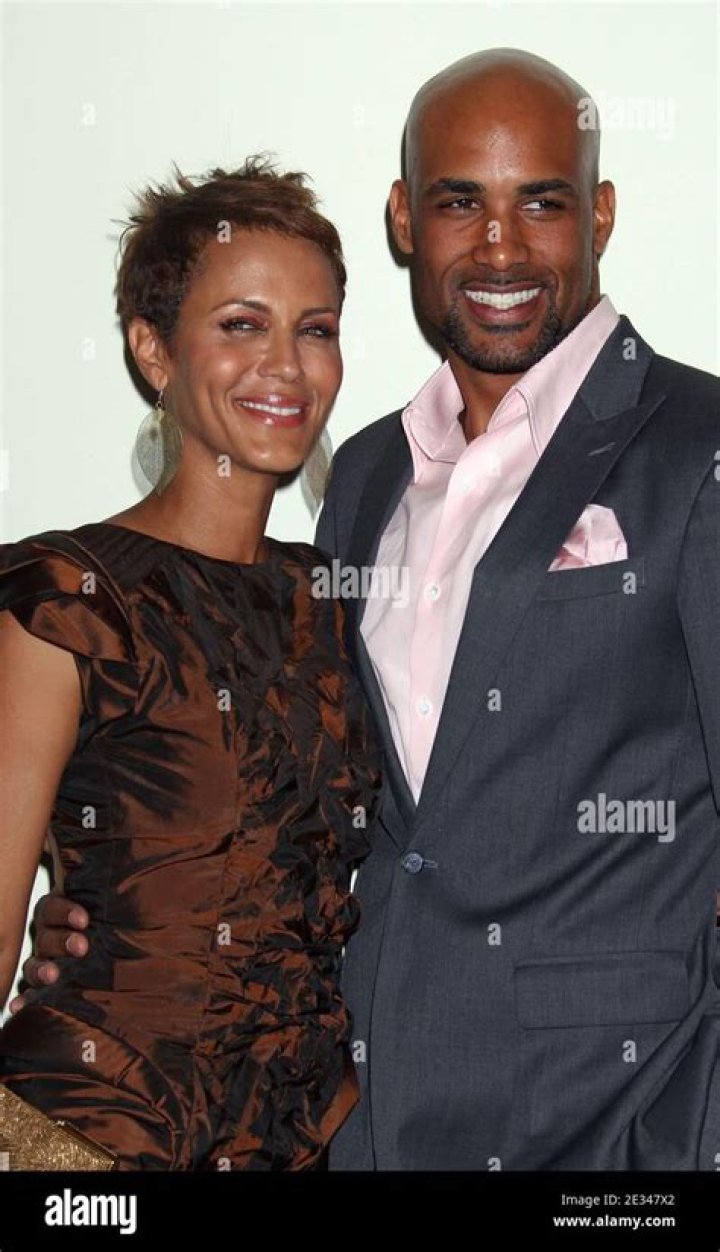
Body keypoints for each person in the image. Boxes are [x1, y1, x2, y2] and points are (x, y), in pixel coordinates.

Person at [19, 46, 720, 1171]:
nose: (500, 246)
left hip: (615, 1126)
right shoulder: (367, 478)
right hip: (354, 1120)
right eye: (460, 202)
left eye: (541, 202)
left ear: (599, 214)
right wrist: (114, 912)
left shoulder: (697, 444)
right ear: (406, 218)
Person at [0, 157, 380, 1170]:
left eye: (315, 329)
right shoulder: (68, 599)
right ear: (152, 348)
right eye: (242, 324)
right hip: (87, 1143)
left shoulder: (337, 599)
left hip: (302, 1143)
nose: (286, 366)